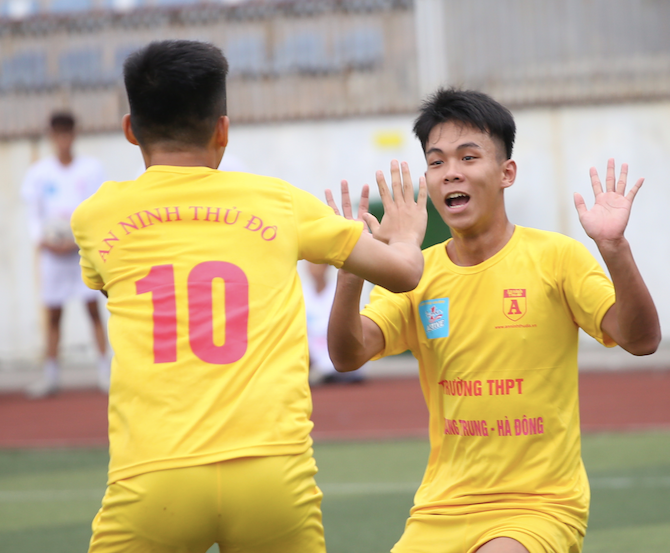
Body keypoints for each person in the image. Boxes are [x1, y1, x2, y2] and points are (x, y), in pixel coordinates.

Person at [70, 40, 426, 552]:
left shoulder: (95, 216)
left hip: (152, 476)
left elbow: (110, 282)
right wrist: (405, 234)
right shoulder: (278, 201)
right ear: (223, 129)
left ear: (130, 129)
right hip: (272, 471)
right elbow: (405, 274)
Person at [327, 89, 660, 553]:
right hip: (440, 508)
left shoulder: (557, 258)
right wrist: (351, 270)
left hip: (539, 506)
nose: (451, 172)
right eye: (437, 162)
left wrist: (615, 249)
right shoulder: (416, 275)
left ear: (507, 173)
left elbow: (641, 339)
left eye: (468, 157)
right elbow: (347, 355)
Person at [21, 111, 109, 398]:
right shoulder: (38, 173)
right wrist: (44, 242)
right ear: (51, 136)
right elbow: (34, 215)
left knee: (93, 309)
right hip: (52, 256)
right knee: (53, 313)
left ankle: (105, 372)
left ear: (74, 135)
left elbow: (97, 210)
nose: (63, 140)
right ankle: (51, 376)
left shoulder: (91, 169)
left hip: (82, 252)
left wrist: (79, 242)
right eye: (58, 135)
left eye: (67, 134)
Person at [303, 261, 366, 385]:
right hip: (312, 345)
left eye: (316, 265)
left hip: (334, 341)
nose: (313, 270)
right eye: (310, 266)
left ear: (325, 268)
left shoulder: (338, 291)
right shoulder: (303, 292)